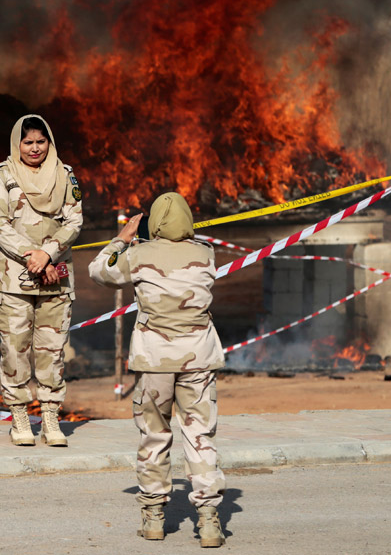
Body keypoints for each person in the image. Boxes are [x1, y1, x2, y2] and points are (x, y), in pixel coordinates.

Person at [87, 192, 226, 547]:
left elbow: (98, 270)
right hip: (198, 359)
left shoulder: (138, 256)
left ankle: (153, 518)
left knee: (154, 435)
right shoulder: (206, 253)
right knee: (200, 436)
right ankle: (209, 521)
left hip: (154, 361)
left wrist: (122, 239)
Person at [0, 114, 83, 447]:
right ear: (18, 144)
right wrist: (34, 257)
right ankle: (20, 418)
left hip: (56, 277)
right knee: (15, 351)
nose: (35, 148)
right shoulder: (1, 176)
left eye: (41, 141)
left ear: (49, 143)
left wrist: (49, 254)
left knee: (52, 352)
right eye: (28, 142)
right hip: (13, 280)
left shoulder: (65, 174)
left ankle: (51, 418)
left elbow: (74, 221)